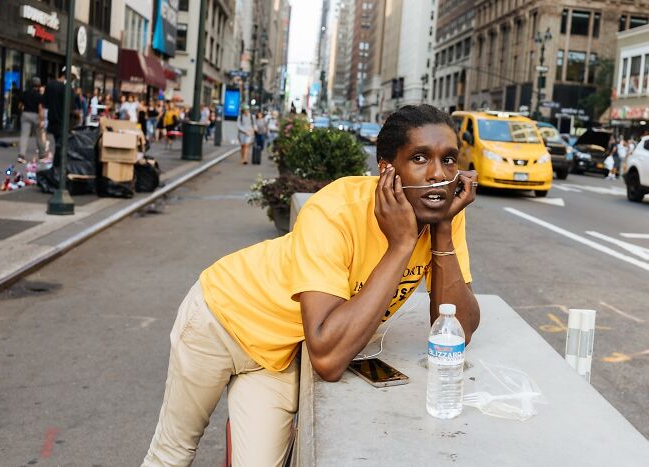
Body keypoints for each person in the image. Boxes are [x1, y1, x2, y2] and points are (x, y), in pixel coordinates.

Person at [142, 104, 481, 466]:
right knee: (173, 453)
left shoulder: (443, 214)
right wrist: (401, 245)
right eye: (419, 158)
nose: (437, 175)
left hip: (281, 354)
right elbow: (329, 359)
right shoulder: (333, 211)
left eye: (448, 160)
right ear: (387, 169)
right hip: (221, 319)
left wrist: (442, 231)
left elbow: (457, 328)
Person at [42, 69, 68, 168]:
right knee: (60, 144)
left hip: (52, 118)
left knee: (58, 143)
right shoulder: (65, 87)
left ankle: (56, 166)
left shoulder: (50, 85)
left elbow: (45, 103)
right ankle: (57, 166)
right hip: (61, 120)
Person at [17, 77, 45, 164]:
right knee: (39, 136)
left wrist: (22, 112)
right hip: (35, 115)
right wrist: (41, 120)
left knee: (24, 136)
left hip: (26, 114)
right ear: (39, 85)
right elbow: (40, 108)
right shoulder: (39, 96)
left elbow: (20, 105)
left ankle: (21, 156)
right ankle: (42, 155)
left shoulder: (25, 93)